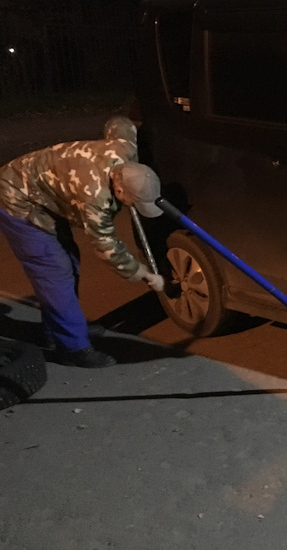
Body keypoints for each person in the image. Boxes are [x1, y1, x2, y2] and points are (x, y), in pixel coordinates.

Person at [0, 115, 165, 368]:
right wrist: (144, 273)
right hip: (17, 199)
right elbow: (107, 246)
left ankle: (57, 328)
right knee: (54, 270)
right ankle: (73, 348)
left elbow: (120, 124)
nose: (135, 207)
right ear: (119, 190)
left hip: (44, 193)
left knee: (69, 261)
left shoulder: (124, 150)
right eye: (135, 202)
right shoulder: (95, 197)